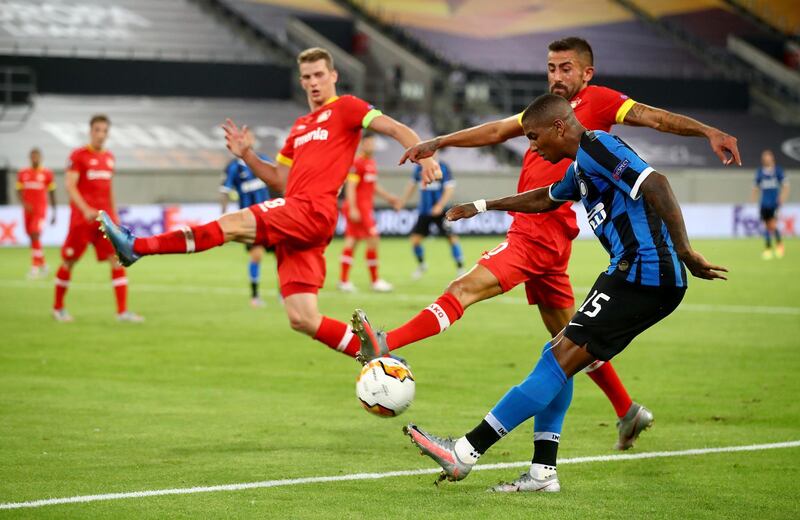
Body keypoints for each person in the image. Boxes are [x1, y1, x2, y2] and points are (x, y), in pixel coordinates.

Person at [352, 37, 740, 468]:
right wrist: (478, 198)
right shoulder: (567, 149)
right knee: (563, 353)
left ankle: (420, 389)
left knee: (486, 305)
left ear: (584, 77)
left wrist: (707, 135)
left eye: (565, 68)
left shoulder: (597, 126)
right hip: (594, 253)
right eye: (551, 67)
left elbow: (656, 147)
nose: (531, 146)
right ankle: (555, 460)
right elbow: (538, 183)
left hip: (589, 253)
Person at [403, 93, 728, 492]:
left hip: (643, 271)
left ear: (559, 127)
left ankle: (465, 452)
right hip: (631, 273)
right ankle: (542, 474)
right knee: (556, 356)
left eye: (534, 136)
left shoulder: (598, 146)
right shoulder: (581, 166)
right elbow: (545, 197)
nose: (532, 146)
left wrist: (684, 252)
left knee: (558, 360)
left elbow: (656, 183)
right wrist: (484, 205)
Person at [98, 47, 439, 357]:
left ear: (333, 76)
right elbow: (280, 179)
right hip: (298, 216)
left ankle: (138, 246)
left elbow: (393, 127)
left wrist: (424, 155)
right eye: (306, 77)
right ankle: (379, 357)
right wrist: (246, 153)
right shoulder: (300, 127)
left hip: (312, 209)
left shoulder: (347, 108)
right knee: (302, 318)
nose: (313, 82)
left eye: (320, 75)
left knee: (231, 224)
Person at [52, 115, 143, 323]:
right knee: (69, 261)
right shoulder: (78, 156)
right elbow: (70, 185)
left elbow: (108, 188)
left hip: (104, 221)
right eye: (97, 130)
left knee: (117, 260)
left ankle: (122, 312)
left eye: (104, 130)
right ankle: (58, 308)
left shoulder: (109, 158)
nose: (101, 134)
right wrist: (84, 209)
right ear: (90, 131)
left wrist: (115, 215)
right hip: (82, 221)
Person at [338, 132, 400, 293]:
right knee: (373, 239)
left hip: (364, 207)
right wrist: (352, 208)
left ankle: (344, 281)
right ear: (363, 143)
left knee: (353, 241)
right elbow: (350, 187)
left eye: (374, 143)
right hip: (358, 208)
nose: (372, 146)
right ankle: (375, 281)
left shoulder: (370, 162)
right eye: (370, 143)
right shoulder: (357, 163)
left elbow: (373, 186)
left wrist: (389, 197)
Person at [220, 128, 275, 307]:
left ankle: (284, 294)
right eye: (245, 137)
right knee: (257, 255)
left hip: (272, 217)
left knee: (283, 255)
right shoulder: (233, 167)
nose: (249, 140)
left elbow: (278, 181)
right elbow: (225, 192)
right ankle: (255, 295)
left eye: (251, 137)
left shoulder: (263, 160)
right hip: (251, 220)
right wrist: (224, 216)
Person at [396, 155, 464, 279]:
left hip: (441, 211)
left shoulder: (443, 166)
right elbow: (412, 185)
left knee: (451, 238)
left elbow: (449, 188)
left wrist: (440, 205)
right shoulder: (419, 168)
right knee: (415, 240)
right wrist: (402, 201)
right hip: (424, 211)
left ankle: (460, 268)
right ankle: (422, 265)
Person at [16, 147, 56, 279]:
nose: (35, 159)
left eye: (37, 156)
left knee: (35, 234)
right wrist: (24, 203)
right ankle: (44, 265)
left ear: (41, 158)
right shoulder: (23, 173)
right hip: (27, 211)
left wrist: (54, 212)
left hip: (40, 210)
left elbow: (52, 193)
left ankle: (34, 268)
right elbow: (18, 190)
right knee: (32, 238)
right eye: (33, 156)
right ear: (30, 158)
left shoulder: (47, 174)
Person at [751, 149, 789, 259]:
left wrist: (782, 198)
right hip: (764, 203)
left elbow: (786, 186)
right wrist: (753, 198)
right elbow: (755, 186)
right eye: (764, 157)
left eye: (768, 157)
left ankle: (779, 246)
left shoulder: (778, 171)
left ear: (772, 158)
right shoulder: (760, 172)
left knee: (772, 225)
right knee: (767, 226)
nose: (766, 159)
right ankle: (769, 248)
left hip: (774, 203)